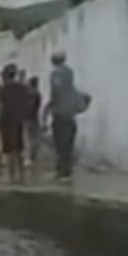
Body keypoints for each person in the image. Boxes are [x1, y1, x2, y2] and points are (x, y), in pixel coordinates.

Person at [43, 51, 84, 179]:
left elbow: (55, 92)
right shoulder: (69, 73)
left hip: (60, 114)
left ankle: (61, 171)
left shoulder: (56, 74)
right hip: (70, 114)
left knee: (60, 144)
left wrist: (48, 109)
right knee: (68, 144)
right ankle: (66, 171)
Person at [0, 64, 29, 182]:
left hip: (7, 122)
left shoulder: (5, 89)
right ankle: (21, 175)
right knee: (19, 149)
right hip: (18, 121)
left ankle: (12, 176)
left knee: (10, 151)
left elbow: (1, 106)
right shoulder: (22, 87)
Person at [25, 76, 42, 165]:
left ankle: (30, 156)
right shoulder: (37, 94)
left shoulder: (29, 94)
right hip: (34, 118)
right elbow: (37, 106)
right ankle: (32, 155)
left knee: (29, 138)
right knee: (35, 138)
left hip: (29, 118)